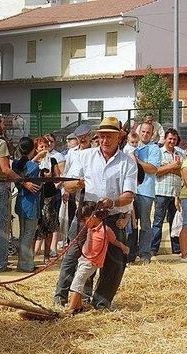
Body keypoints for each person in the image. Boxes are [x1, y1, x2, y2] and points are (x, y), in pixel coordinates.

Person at [54, 116, 137, 309]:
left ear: (120, 137)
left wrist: (113, 201)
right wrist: (76, 184)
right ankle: (61, 296)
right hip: (86, 215)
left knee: (114, 262)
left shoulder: (128, 162)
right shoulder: (85, 156)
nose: (105, 140)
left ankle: (101, 301)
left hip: (113, 215)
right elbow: (68, 183)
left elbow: (129, 196)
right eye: (102, 136)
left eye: (110, 136)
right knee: (73, 255)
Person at [0, 113, 38, 272]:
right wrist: (24, 182)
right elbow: (5, 169)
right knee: (0, 227)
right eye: (3, 123)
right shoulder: (0, 143)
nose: (4, 126)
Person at [65, 203, 129, 313]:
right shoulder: (90, 228)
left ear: (93, 216)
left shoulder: (106, 230)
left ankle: (71, 308)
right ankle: (78, 306)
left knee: (77, 282)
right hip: (84, 260)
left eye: (85, 220)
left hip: (91, 262)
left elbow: (114, 241)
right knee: (79, 281)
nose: (83, 224)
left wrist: (124, 247)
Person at [132, 121, 161, 264]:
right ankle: (130, 253)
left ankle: (144, 253)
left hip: (145, 191)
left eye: (148, 132)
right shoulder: (132, 146)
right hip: (131, 190)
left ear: (152, 134)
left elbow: (153, 168)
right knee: (130, 224)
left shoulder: (154, 149)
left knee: (145, 223)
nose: (145, 134)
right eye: (143, 131)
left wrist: (136, 161)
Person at [152, 128, 183, 255]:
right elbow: (156, 171)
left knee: (175, 222)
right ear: (165, 138)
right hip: (161, 192)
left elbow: (182, 172)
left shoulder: (180, 154)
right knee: (158, 221)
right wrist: (172, 166)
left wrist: (167, 168)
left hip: (175, 193)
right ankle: (153, 248)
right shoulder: (158, 153)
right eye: (170, 138)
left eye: (174, 139)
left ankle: (176, 248)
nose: (172, 141)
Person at [12, 137, 41, 272]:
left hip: (20, 201)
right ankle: (26, 264)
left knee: (23, 233)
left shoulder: (16, 165)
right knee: (28, 235)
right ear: (33, 150)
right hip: (31, 203)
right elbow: (38, 186)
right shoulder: (34, 167)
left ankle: (22, 262)